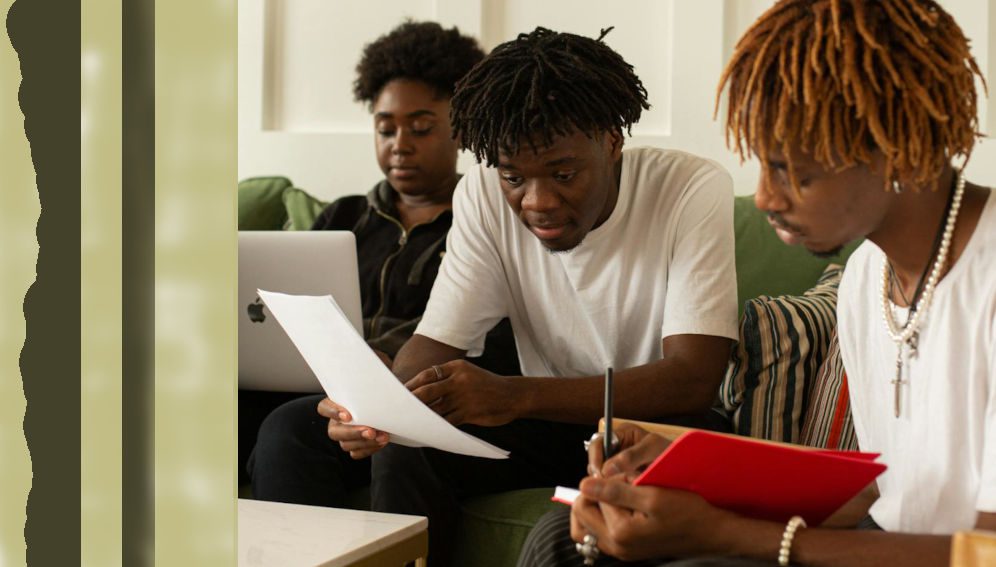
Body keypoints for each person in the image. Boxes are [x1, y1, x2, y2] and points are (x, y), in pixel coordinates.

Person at [517, 1, 995, 566]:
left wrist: (720, 533)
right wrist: (684, 467)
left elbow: (983, 552)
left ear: (897, 149)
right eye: (763, 166)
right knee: (564, 537)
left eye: (796, 172)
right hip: (885, 540)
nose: (765, 197)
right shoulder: (867, 275)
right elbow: (881, 491)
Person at [322, 26, 740, 566]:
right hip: (555, 427)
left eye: (563, 173)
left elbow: (692, 378)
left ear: (612, 141)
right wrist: (378, 407)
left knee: (698, 441)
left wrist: (516, 395)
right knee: (406, 450)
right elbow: (438, 339)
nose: (537, 202)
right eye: (514, 177)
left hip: (660, 430)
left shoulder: (690, 187)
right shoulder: (480, 192)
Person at [246, 20, 520, 506]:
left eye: (420, 127)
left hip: (399, 395)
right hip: (311, 382)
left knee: (289, 428)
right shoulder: (345, 216)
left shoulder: (484, 223)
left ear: (460, 127)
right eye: (385, 128)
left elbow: (490, 342)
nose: (400, 143)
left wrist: (393, 368)